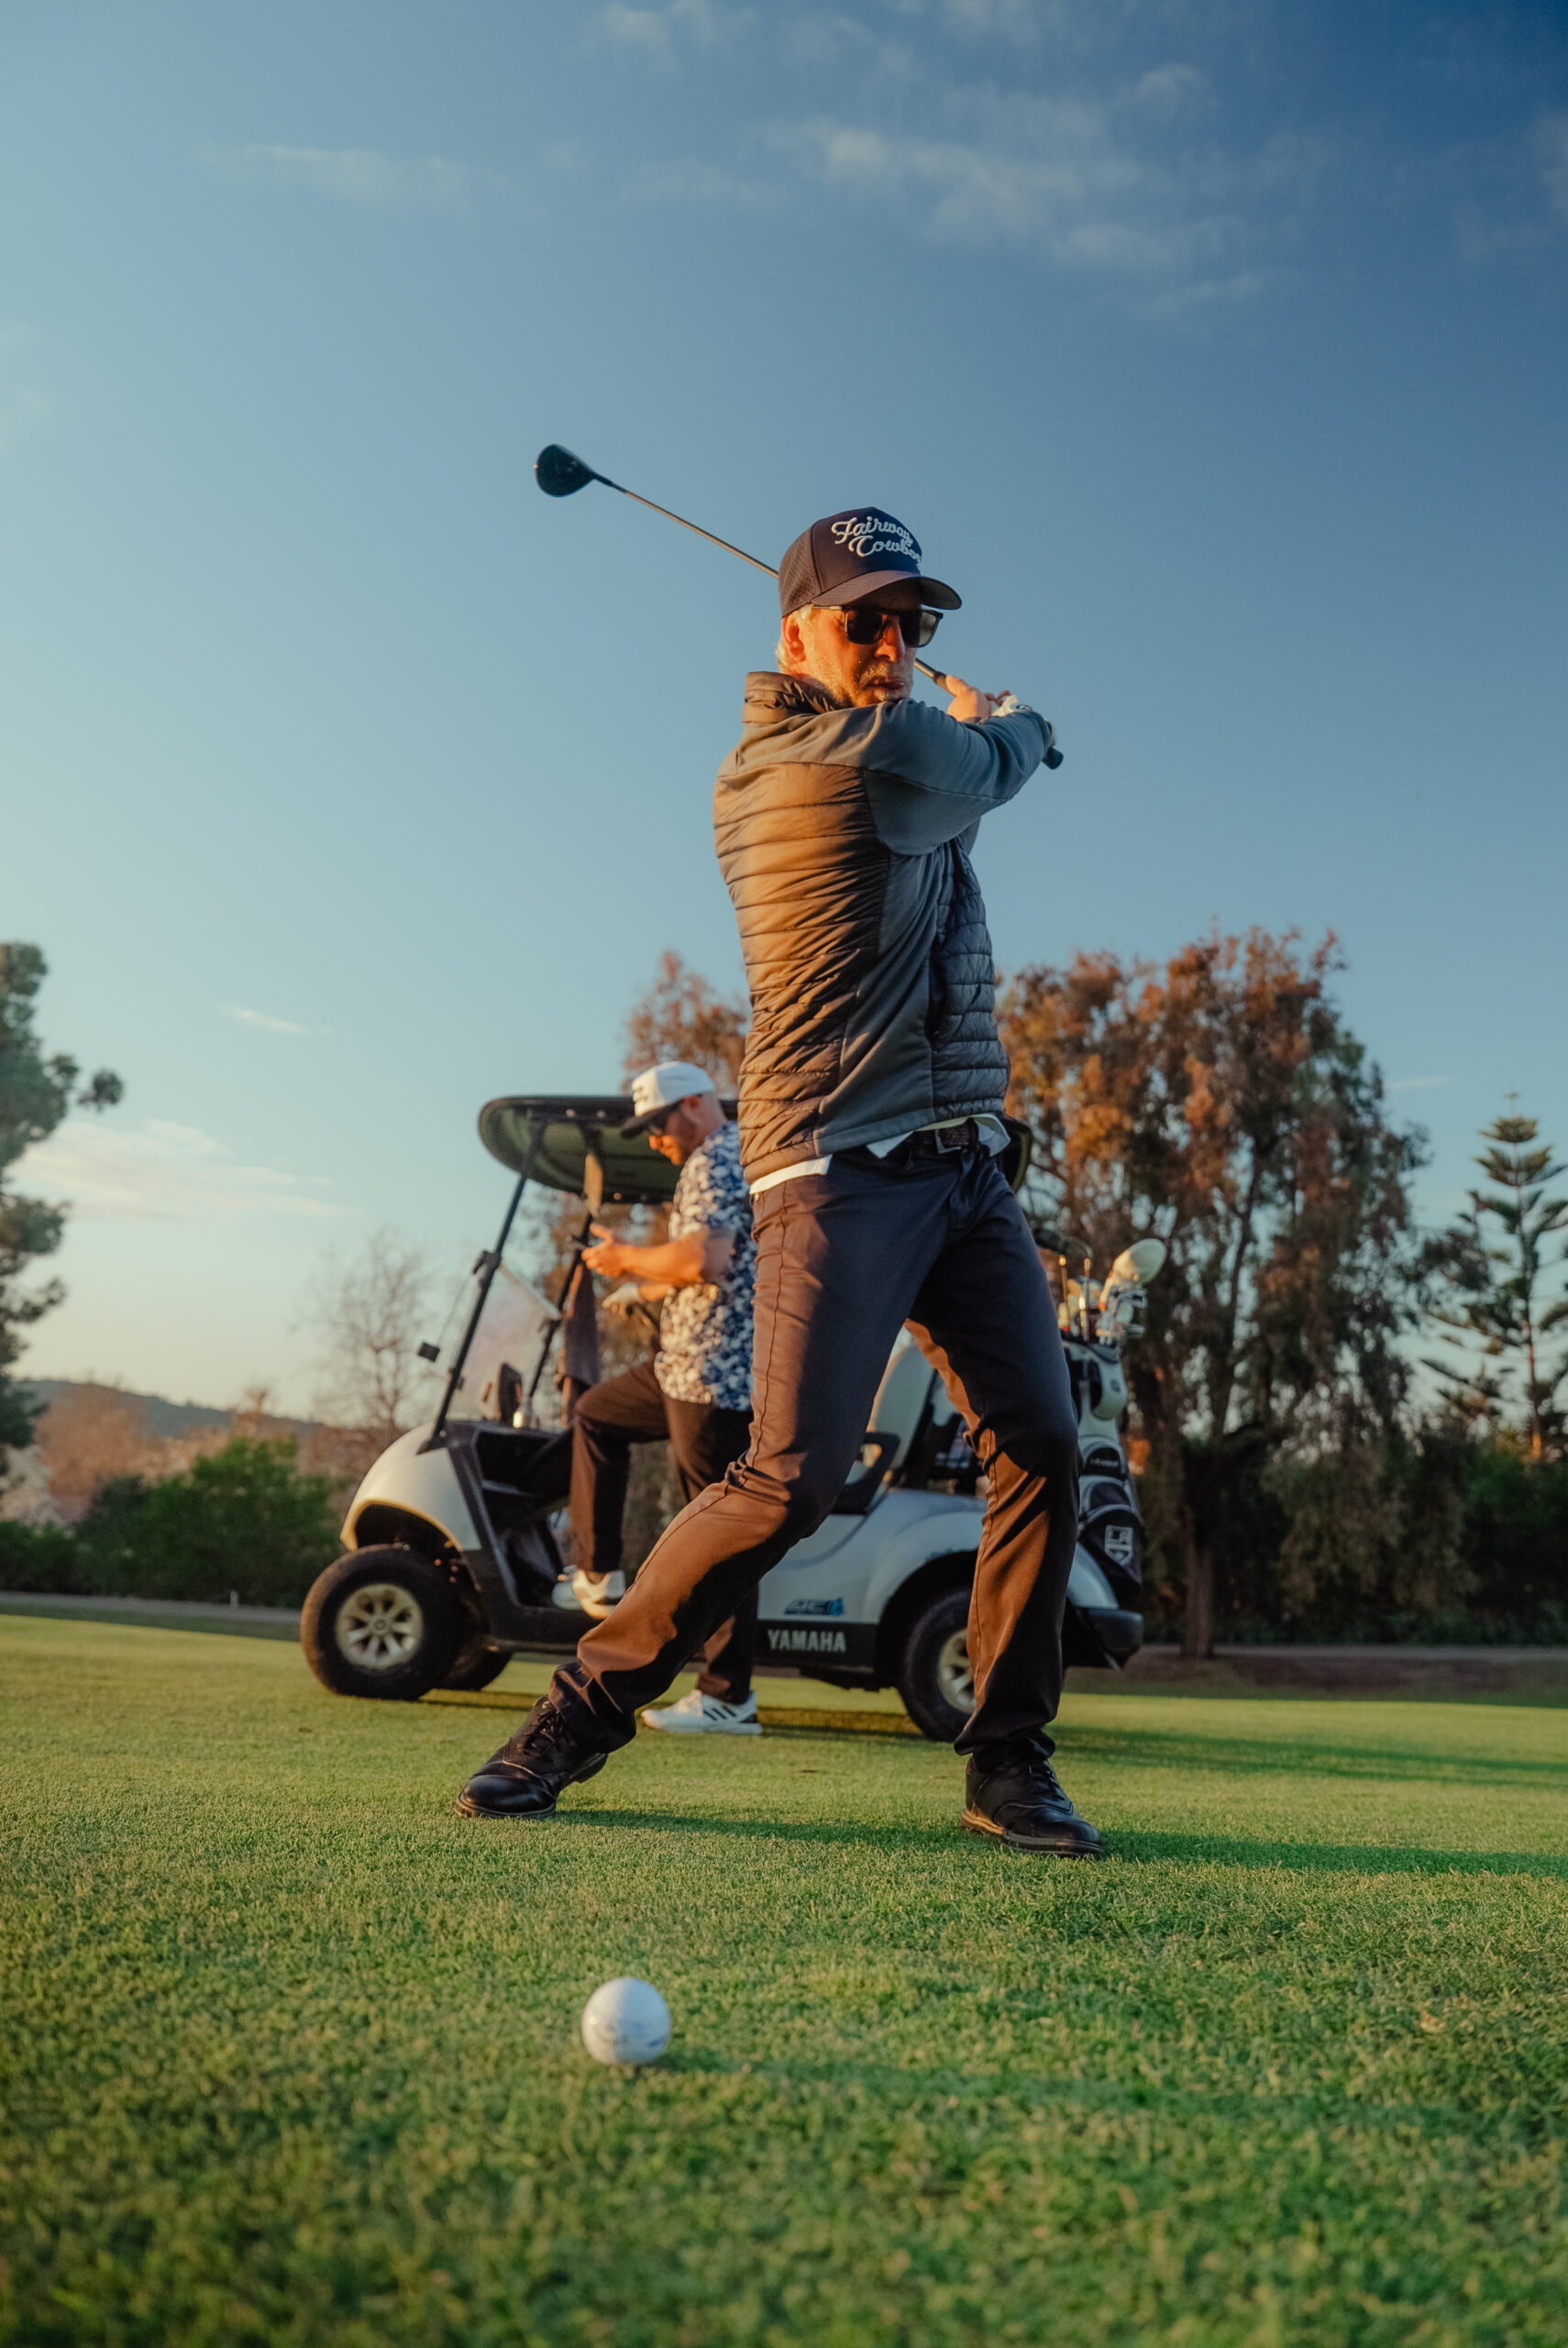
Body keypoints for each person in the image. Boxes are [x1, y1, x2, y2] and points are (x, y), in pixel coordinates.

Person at [458, 504, 1097, 1856]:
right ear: (794, 634)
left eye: (910, 622)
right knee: (789, 1477)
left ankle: (1008, 1759)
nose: (890, 642)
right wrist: (1018, 720)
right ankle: (579, 1710)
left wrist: (980, 742)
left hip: (963, 1163)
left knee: (1041, 1440)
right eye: (862, 619)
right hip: (839, 1169)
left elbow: (956, 806)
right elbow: (988, 764)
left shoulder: (897, 748)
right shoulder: (807, 763)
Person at [556, 1060, 761, 1736]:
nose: (653, 1140)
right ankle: (598, 1573)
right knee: (596, 1415)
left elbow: (702, 1259)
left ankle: (728, 1695)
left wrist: (626, 1260)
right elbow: (724, 1266)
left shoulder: (714, 1160)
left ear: (695, 1104)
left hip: (711, 1379)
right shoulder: (734, 1154)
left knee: (719, 1533)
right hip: (687, 1367)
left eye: (658, 1123)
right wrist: (642, 1287)